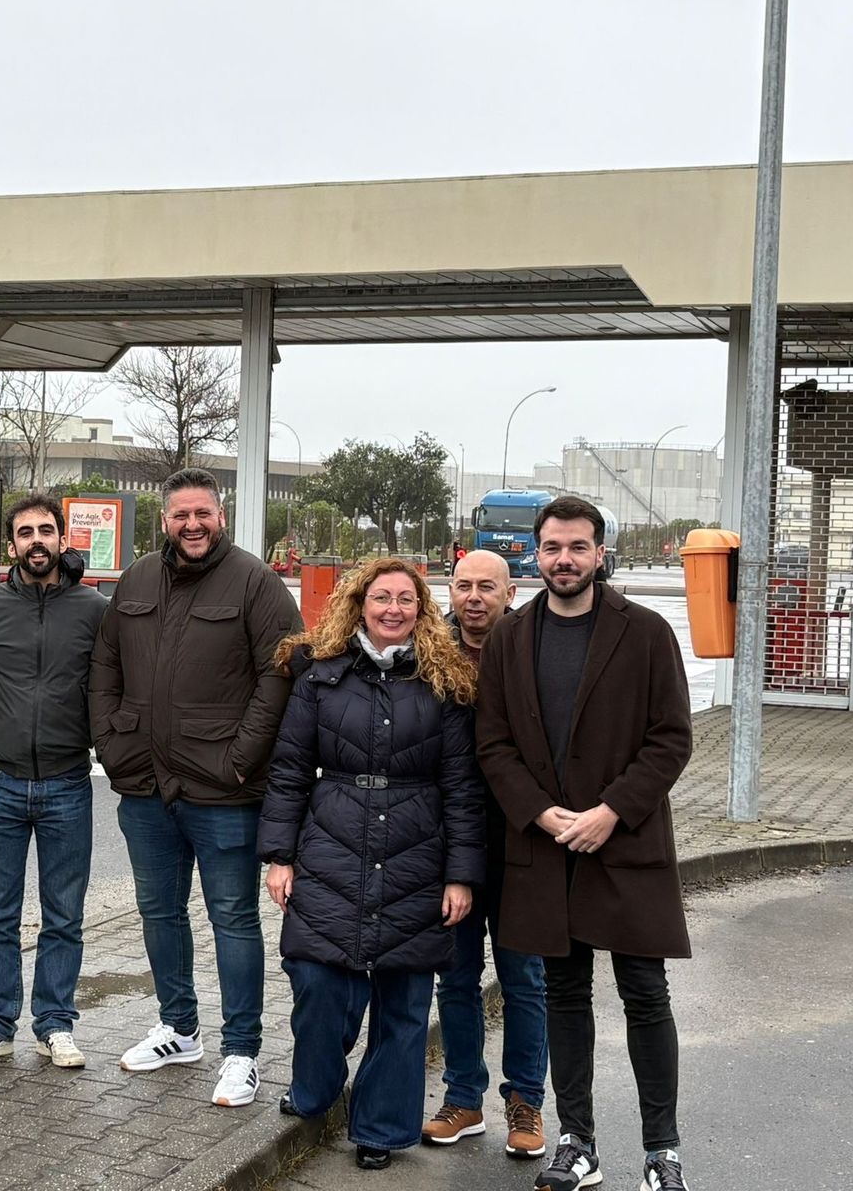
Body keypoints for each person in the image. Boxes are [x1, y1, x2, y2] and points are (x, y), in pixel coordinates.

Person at [475, 496, 694, 1191]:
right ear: (534, 556)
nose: (563, 559)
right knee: (563, 996)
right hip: (544, 849)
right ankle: (578, 1142)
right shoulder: (511, 639)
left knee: (644, 995)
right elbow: (494, 743)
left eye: (577, 547)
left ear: (601, 553)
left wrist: (611, 812)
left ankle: (663, 1152)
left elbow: (671, 739)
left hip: (624, 846)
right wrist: (540, 814)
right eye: (551, 548)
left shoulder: (648, 633)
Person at [260, 558, 485, 1171]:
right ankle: (316, 1088)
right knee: (317, 983)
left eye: (405, 600)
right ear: (359, 604)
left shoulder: (446, 683)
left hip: (417, 852)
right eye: (381, 597)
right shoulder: (321, 676)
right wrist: (279, 856)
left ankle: (381, 1129)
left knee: (405, 1002)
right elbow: (287, 770)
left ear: (421, 609)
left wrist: (462, 874)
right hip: (330, 843)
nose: (393, 609)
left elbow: (463, 786)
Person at [88, 467, 301, 1108]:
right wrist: (112, 744)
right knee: (158, 912)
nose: (192, 525)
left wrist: (242, 757)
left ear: (221, 515)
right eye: (181, 515)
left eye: (202, 513)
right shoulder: (136, 580)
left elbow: (281, 674)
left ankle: (241, 1051)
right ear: (165, 520)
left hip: (224, 789)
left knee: (233, 919)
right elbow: (106, 667)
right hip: (146, 786)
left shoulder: (255, 583)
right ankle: (179, 1029)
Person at [0, 494, 108, 1069]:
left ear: (62, 539)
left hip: (68, 781)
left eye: (46, 530)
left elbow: (108, 689)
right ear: (10, 544)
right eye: (25, 532)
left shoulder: (93, 610)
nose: (36, 540)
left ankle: (56, 1022)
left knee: (63, 913)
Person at [423, 550, 548, 1159]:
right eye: (464, 586)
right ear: (450, 591)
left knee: (525, 978)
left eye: (487, 587)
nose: (474, 597)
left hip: (524, 841)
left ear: (509, 591)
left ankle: (526, 1102)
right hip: (448, 847)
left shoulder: (534, 646)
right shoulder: (427, 652)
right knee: (458, 979)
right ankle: (463, 1098)